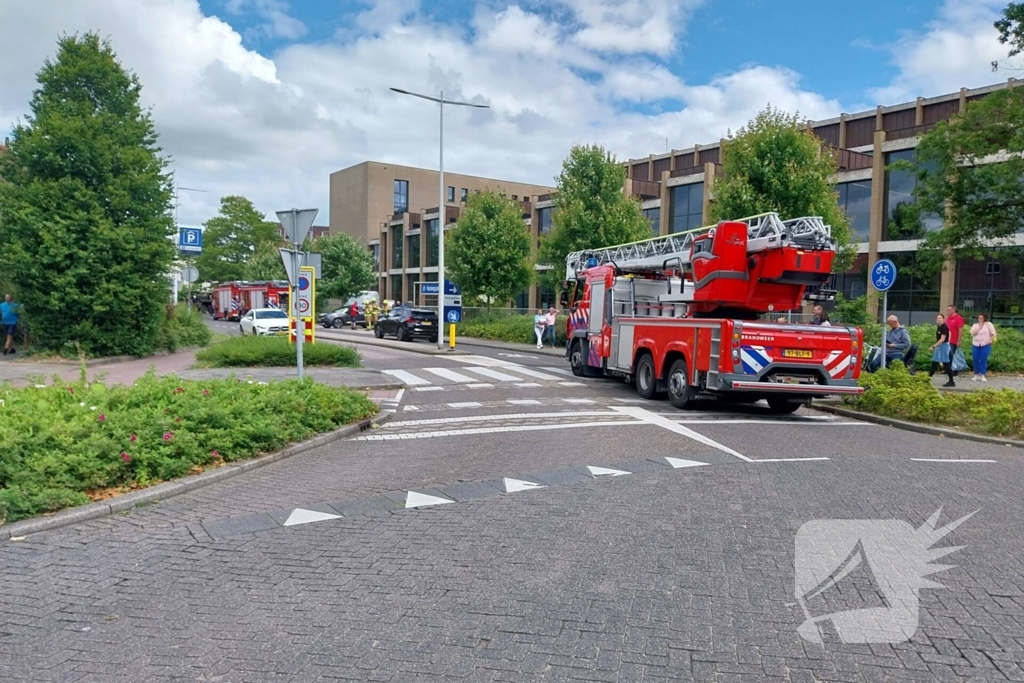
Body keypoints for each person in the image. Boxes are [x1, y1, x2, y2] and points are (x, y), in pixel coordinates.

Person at [928, 313, 955, 387]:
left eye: (940, 318)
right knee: (934, 363)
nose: (938, 319)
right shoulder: (939, 326)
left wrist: (933, 347)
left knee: (946, 364)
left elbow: (942, 339)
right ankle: (926, 380)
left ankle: (951, 382)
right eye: (937, 318)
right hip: (939, 347)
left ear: (943, 319)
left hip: (943, 347)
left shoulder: (944, 327)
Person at [970, 313, 997, 382]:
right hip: (975, 344)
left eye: (982, 318)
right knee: (975, 359)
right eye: (979, 318)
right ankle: (976, 374)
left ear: (984, 318)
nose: (980, 319)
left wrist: (990, 340)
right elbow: (973, 333)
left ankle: (982, 374)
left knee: (983, 359)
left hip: (985, 344)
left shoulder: (988, 324)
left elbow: (993, 333)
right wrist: (979, 327)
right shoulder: (975, 325)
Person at [945, 304, 965, 376]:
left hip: (954, 341)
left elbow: (960, 330)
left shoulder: (958, 318)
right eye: (947, 310)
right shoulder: (948, 318)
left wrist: (959, 341)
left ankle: (954, 370)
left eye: (949, 310)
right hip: (948, 340)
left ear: (953, 310)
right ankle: (948, 369)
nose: (947, 311)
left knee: (952, 355)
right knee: (947, 355)